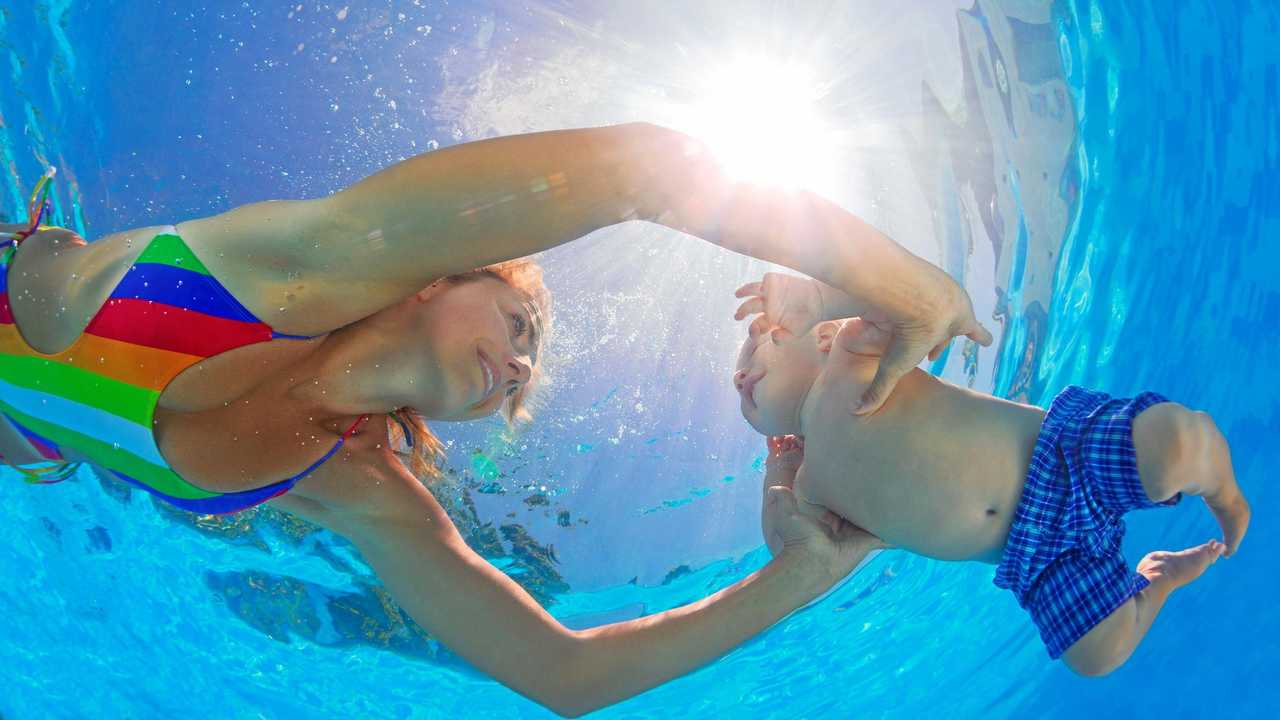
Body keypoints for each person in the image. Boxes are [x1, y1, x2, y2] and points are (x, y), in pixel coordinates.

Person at [0, 123, 983, 716]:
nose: (514, 365)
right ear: (435, 282)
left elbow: (561, 673)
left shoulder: (354, 487)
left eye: (521, 376)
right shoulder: (301, 262)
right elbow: (641, 169)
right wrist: (901, 285)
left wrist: (801, 572)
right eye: (517, 326)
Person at [734, 271, 1251, 676]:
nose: (740, 375)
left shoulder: (849, 355)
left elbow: (900, 302)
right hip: (1039, 561)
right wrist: (776, 479)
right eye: (738, 384)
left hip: (1061, 459)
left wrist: (824, 298)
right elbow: (794, 550)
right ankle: (1159, 577)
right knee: (1098, 654)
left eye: (759, 340)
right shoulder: (809, 482)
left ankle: (1225, 494)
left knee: (1173, 446)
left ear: (819, 335)